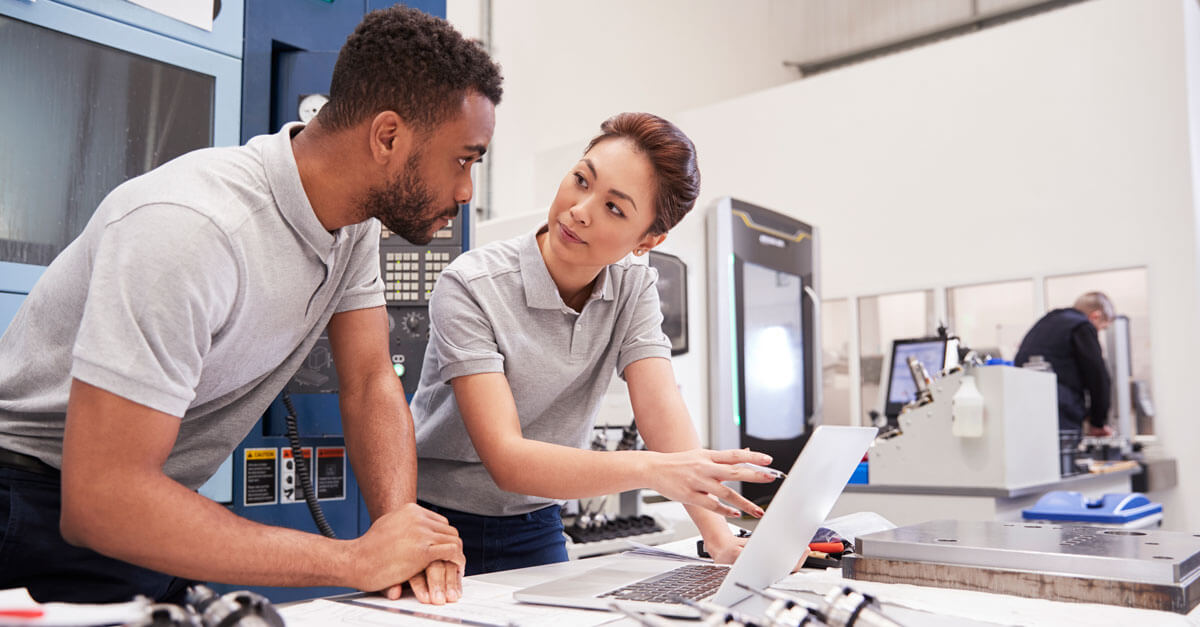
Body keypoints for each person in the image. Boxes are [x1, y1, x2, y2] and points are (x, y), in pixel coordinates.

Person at [0, 6, 501, 605]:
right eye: (463, 159)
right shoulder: (193, 230)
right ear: (388, 136)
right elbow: (101, 501)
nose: (467, 191)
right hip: (29, 503)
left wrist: (401, 537)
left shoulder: (353, 224)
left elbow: (369, 380)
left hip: (143, 502)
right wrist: (354, 558)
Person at [411, 112, 777, 576]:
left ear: (649, 240)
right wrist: (652, 469)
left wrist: (719, 537)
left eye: (614, 208)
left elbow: (660, 407)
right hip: (438, 521)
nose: (580, 209)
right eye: (582, 180)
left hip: (537, 520)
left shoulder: (633, 285)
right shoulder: (471, 285)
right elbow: (506, 458)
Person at [1014, 291, 1115, 438]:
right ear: (1096, 316)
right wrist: (1098, 423)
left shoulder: (1047, 321)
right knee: (1064, 454)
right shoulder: (1082, 326)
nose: (1098, 332)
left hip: (1025, 404)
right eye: (1102, 327)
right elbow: (1098, 377)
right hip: (1061, 408)